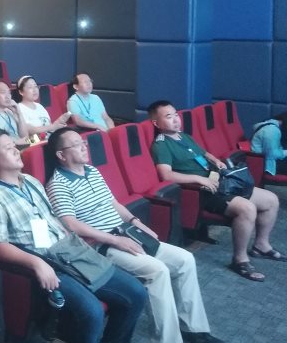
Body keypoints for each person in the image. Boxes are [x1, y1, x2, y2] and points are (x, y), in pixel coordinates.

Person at [46, 128, 220, 343]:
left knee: (185, 259)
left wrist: (137, 223)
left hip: (125, 233)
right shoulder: (58, 185)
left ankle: (194, 330)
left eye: (83, 143)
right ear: (61, 155)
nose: (84, 147)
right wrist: (115, 240)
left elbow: (114, 204)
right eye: (76, 145)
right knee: (157, 271)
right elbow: (71, 225)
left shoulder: (92, 171)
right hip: (100, 245)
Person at [0, 128, 147, 343]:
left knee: (136, 293)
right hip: (48, 261)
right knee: (92, 312)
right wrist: (37, 263)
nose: (17, 151)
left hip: (69, 250)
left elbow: (52, 219)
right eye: (9, 149)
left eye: (15, 146)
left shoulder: (30, 181)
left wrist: (76, 241)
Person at [148, 100, 283, 282]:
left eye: (176, 115)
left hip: (220, 181)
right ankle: (240, 260)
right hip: (203, 191)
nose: (176, 119)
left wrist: (216, 161)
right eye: (168, 116)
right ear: (156, 123)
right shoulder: (161, 145)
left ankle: (261, 245)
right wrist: (198, 179)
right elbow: (166, 174)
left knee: (271, 200)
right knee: (247, 209)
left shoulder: (184, 137)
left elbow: (203, 154)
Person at [17, 76, 69, 142]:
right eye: (30, 87)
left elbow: (49, 127)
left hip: (48, 139)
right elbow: (30, 130)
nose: (34, 90)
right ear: (21, 92)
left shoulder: (40, 106)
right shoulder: (19, 108)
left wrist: (59, 122)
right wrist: (53, 127)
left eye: (35, 86)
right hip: (33, 141)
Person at [250, 112, 287, 176]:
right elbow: (273, 155)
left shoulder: (271, 126)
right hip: (267, 166)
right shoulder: (272, 130)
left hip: (266, 161)